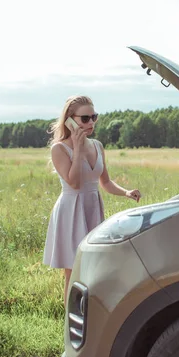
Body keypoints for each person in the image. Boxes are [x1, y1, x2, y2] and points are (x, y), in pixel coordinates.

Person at [43, 95, 142, 306]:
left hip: (92, 208)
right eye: (85, 118)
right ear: (71, 120)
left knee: (94, 267)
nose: (91, 123)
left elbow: (105, 182)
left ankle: (91, 314)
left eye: (94, 117)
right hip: (71, 211)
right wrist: (77, 148)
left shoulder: (97, 145)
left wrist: (126, 192)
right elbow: (75, 183)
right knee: (73, 271)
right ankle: (71, 321)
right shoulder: (59, 149)